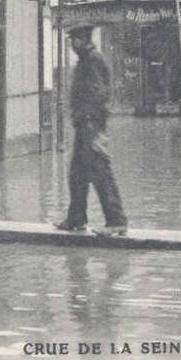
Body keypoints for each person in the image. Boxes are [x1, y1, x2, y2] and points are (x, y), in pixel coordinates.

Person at [55, 24, 128, 236]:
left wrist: (93, 129)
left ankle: (116, 221)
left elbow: (97, 94)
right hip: (84, 126)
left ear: (83, 41)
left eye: (74, 41)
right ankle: (76, 218)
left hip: (91, 127)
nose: (72, 45)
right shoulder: (86, 61)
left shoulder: (92, 61)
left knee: (101, 173)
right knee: (77, 174)